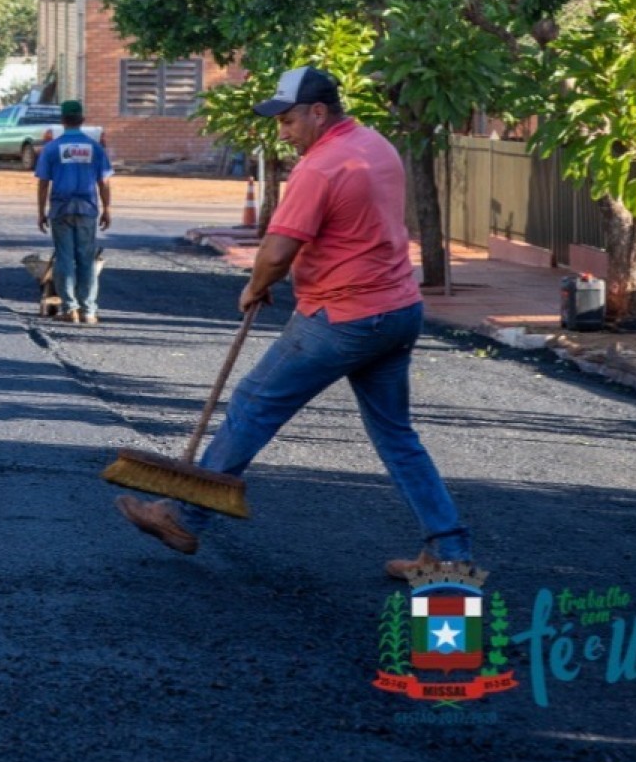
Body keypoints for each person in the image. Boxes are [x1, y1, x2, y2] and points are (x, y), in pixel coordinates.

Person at [114, 67, 475, 580]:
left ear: (319, 112)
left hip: (343, 317)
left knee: (254, 403)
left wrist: (256, 286)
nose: (282, 132)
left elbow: (278, 250)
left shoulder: (320, 167)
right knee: (397, 436)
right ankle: (449, 550)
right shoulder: (376, 145)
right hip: (398, 311)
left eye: (287, 121)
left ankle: (183, 514)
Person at [34, 100, 113, 324]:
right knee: (86, 258)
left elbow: (43, 183)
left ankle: (70, 309)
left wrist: (41, 212)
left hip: (60, 208)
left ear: (62, 120)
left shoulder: (52, 148)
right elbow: (104, 182)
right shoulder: (95, 148)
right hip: (87, 208)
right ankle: (88, 310)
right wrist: (107, 209)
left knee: (65, 258)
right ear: (82, 120)